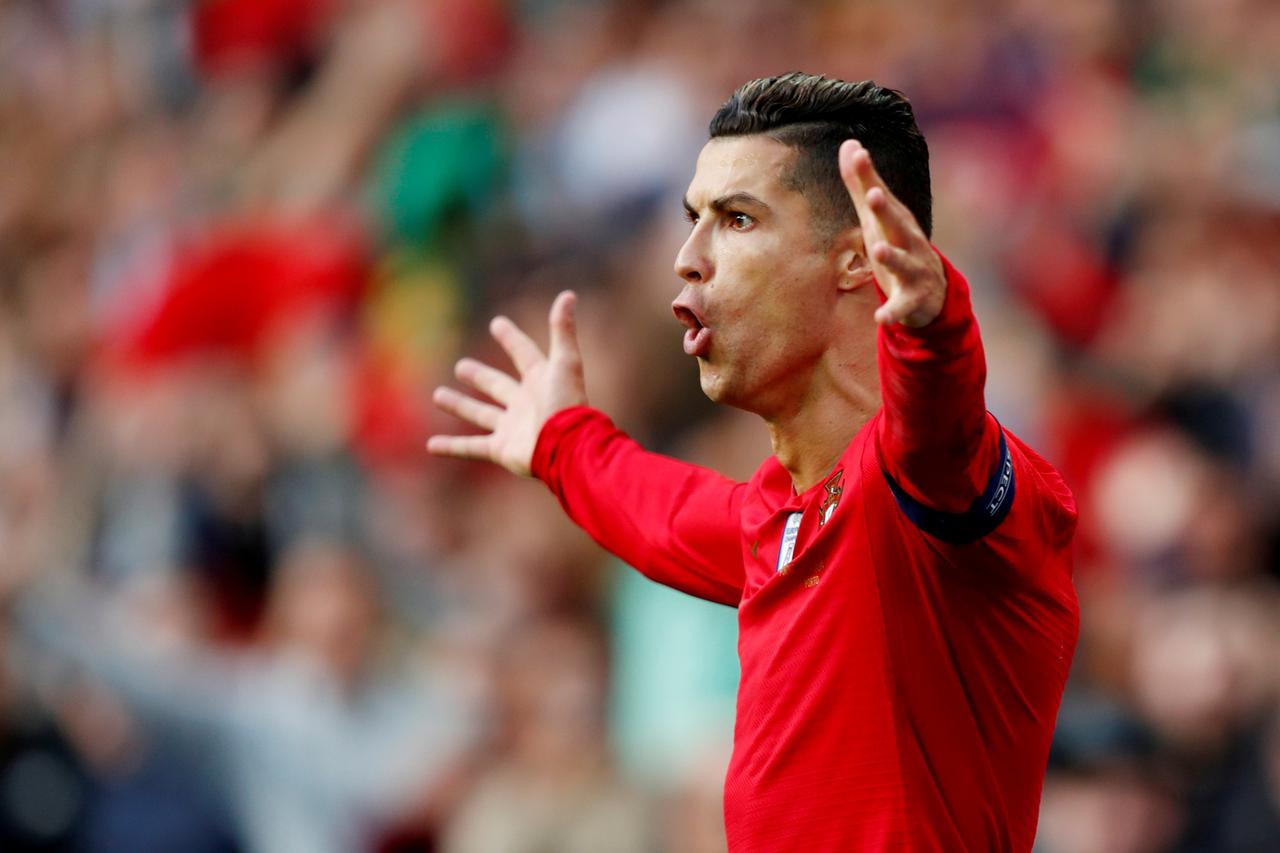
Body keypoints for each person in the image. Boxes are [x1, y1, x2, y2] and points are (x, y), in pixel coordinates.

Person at [428, 72, 1079, 852]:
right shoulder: (781, 518)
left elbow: (941, 433)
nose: (686, 258)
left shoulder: (929, 493)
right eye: (691, 220)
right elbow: (663, 514)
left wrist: (933, 326)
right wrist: (558, 441)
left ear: (858, 260)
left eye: (736, 220)